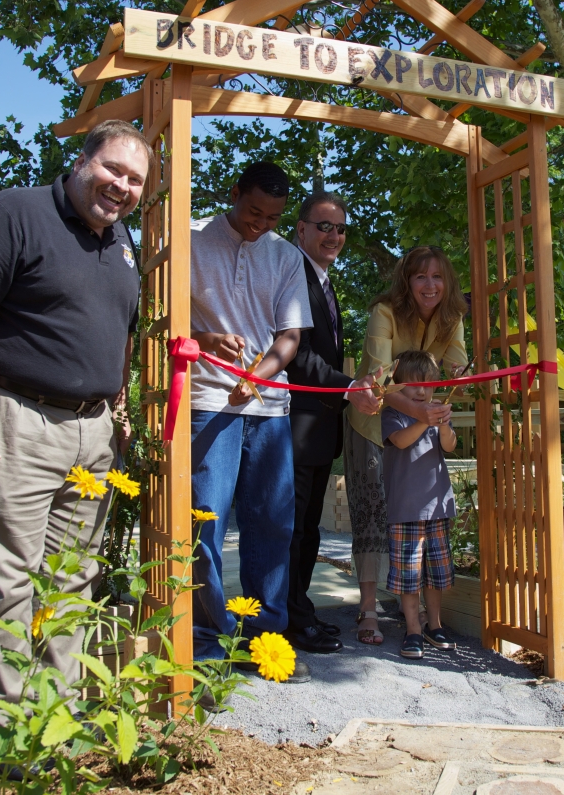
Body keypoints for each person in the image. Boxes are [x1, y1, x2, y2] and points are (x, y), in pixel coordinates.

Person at [0, 120, 147, 760]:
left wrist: (119, 405)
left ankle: (58, 728)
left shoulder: (122, 242)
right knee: (6, 586)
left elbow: (120, 331)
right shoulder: (14, 213)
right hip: (17, 421)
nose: (122, 186)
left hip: (93, 432)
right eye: (113, 169)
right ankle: (5, 744)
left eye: (136, 180)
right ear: (81, 161)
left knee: (71, 584)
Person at [189, 161, 313, 676]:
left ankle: (267, 643)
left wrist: (258, 376)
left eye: (273, 217)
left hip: (270, 406)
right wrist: (204, 339)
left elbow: (290, 336)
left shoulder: (286, 256)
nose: (261, 224)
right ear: (234, 192)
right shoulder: (190, 237)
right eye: (253, 212)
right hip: (206, 401)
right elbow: (160, 318)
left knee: (272, 522)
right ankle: (205, 645)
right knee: (205, 521)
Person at [345, 246, 467, 645]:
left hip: (422, 423)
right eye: (420, 277)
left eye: (437, 277)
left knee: (413, 524)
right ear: (406, 281)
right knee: (372, 512)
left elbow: (456, 368)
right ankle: (368, 609)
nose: (430, 285)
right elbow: (379, 380)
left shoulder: (453, 318)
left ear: (447, 282)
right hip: (371, 421)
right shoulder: (384, 312)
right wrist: (419, 412)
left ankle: (413, 609)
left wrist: (464, 376)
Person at [284, 192, 381, 656]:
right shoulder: (293, 275)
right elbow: (298, 357)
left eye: (341, 228)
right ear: (301, 229)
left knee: (308, 528)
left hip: (321, 429)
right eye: (324, 226)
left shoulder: (321, 280)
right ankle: (289, 619)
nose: (334, 236)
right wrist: (349, 387)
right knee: (293, 528)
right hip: (295, 426)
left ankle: (299, 610)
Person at [380, 350, 459, 659]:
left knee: (436, 574)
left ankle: (434, 625)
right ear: (398, 387)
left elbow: (449, 445)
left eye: (427, 384)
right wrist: (425, 420)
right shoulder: (393, 413)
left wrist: (442, 425)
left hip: (437, 508)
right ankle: (413, 629)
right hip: (405, 510)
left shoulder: (436, 414)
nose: (421, 391)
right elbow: (400, 441)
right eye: (413, 385)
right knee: (409, 576)